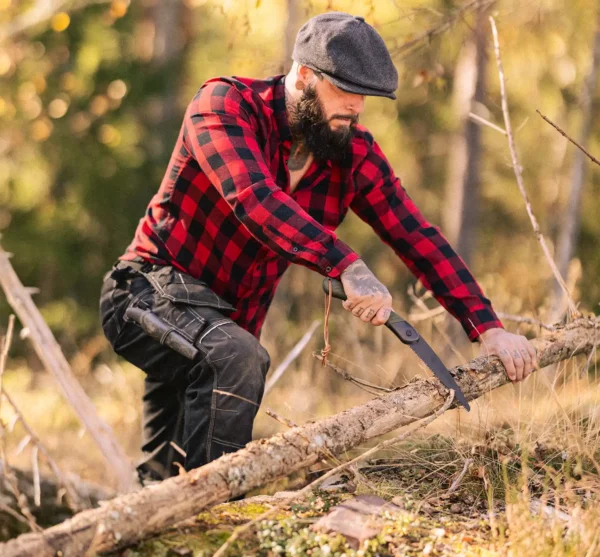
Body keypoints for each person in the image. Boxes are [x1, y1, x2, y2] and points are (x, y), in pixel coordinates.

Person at [99, 12, 537, 482]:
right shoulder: (223, 105)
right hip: (145, 296)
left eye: (364, 96)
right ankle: (217, 517)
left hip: (220, 328)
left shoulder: (350, 151)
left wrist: (486, 327)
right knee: (237, 359)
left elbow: (417, 237)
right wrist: (345, 264)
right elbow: (254, 199)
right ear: (305, 76)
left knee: (161, 479)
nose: (358, 108)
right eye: (345, 92)